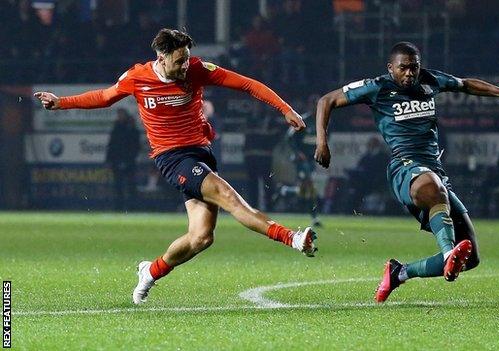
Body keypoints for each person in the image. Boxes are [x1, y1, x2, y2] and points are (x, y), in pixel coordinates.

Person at [34, 28, 317, 305]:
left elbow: (246, 83)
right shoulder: (138, 77)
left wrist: (285, 108)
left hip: (201, 155)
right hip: (172, 158)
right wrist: (61, 103)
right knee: (228, 196)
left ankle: (151, 271)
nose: (185, 66)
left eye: (187, 58)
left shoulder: (197, 69)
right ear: (161, 57)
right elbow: (105, 97)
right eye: (179, 60)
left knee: (201, 238)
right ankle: (291, 237)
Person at [314, 42, 499, 302]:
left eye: (413, 67)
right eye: (403, 68)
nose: (409, 73)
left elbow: (466, 84)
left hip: (434, 172)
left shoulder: (430, 80)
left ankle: (399, 273)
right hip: (405, 168)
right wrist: (322, 142)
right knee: (434, 189)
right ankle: (449, 253)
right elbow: (327, 100)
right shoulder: (377, 87)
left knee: (471, 258)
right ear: (390, 68)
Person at [281, 95, 322, 227]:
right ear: (310, 105)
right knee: (310, 186)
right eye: (315, 104)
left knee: (304, 190)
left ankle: (286, 191)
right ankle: (315, 218)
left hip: (312, 159)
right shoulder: (303, 120)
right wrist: (298, 153)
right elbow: (289, 138)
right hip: (302, 159)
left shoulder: (322, 121)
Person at [106, 108, 140, 211]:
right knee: (118, 186)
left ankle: (132, 207)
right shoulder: (116, 128)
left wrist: (128, 159)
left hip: (129, 162)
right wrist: (109, 160)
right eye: (118, 114)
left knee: (131, 185)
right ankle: (118, 207)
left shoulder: (131, 129)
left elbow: (135, 146)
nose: (119, 116)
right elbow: (111, 145)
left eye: (121, 114)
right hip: (116, 161)